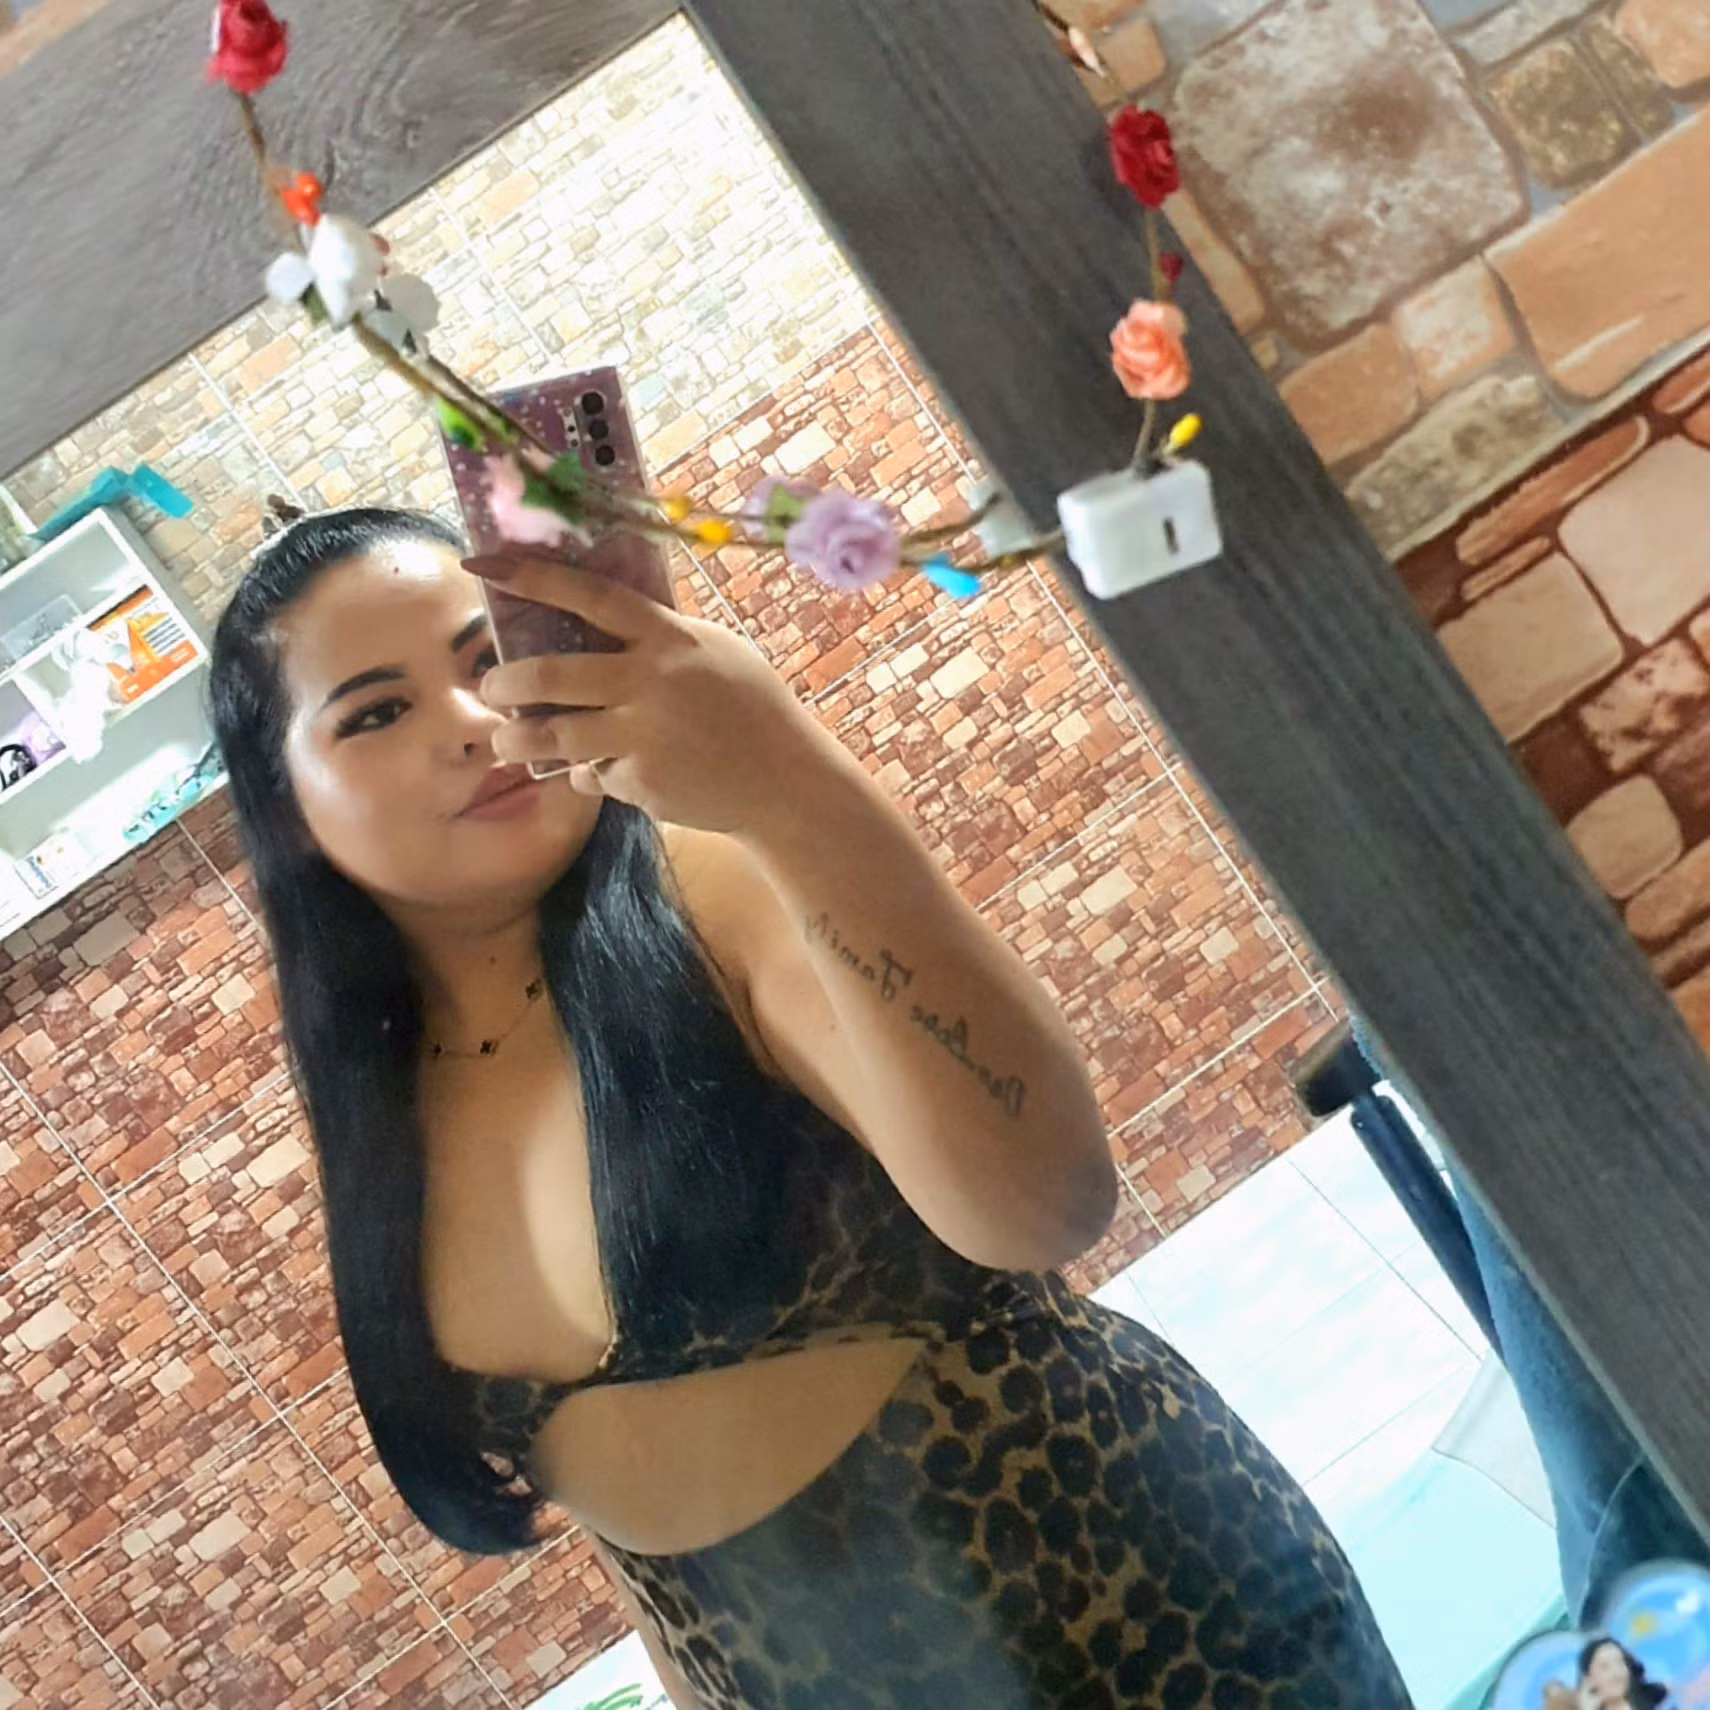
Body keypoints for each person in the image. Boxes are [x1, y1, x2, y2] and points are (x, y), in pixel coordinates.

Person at [208, 506, 1412, 1709]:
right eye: (376, 713)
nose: (476, 720)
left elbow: (1045, 1205)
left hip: (1162, 1638)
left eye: (490, 656)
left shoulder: (714, 895)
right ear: (283, 806)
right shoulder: (384, 1115)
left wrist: (786, 783)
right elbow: (645, 1552)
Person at [1577, 1637, 1667, 1708]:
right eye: (1605, 1667)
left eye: (1620, 1662)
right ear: (1589, 1680)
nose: (1616, 1672)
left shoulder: (1656, 1697)